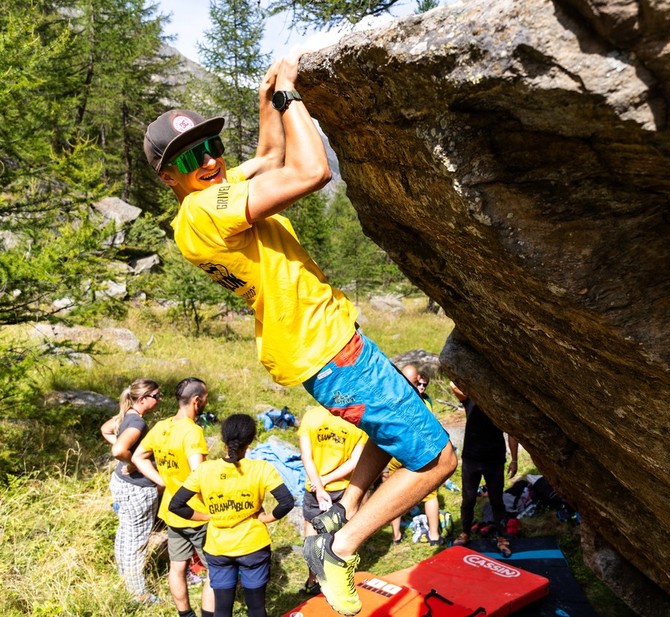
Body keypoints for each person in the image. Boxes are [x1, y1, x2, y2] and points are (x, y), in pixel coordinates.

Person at [143, 54, 457, 616]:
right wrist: (290, 95)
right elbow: (312, 172)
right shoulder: (204, 210)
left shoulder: (207, 198)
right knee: (437, 462)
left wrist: (266, 101)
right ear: (169, 177)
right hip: (331, 351)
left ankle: (344, 505)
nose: (212, 159)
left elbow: (268, 157)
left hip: (320, 343)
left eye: (212, 146)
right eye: (191, 157)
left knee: (397, 419)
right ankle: (340, 547)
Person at [169, 413, 295, 617]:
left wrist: (207, 516)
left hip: (218, 548)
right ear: (251, 440)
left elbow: (176, 505)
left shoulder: (204, 471)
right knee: (256, 608)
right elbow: (287, 501)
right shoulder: (261, 468)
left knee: (222, 609)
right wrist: (267, 518)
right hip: (254, 546)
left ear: (223, 439)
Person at [133, 377, 214, 617]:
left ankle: (185, 615)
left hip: (171, 509)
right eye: (206, 397)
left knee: (177, 567)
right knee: (214, 571)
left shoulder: (161, 427)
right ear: (197, 400)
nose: (207, 401)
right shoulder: (193, 432)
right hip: (197, 513)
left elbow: (138, 456)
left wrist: (164, 481)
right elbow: (199, 475)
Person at [99, 378, 162, 604]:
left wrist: (128, 455)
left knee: (125, 536)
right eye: (156, 396)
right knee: (136, 541)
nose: (160, 399)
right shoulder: (138, 424)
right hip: (137, 489)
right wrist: (133, 461)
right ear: (143, 398)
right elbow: (118, 449)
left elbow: (106, 430)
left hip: (121, 485)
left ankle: (126, 582)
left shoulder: (127, 415)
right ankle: (139, 594)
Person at [298, 404, 367, 595]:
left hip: (313, 488)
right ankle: (339, 582)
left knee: (312, 537)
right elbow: (356, 461)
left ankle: (313, 581)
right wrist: (327, 480)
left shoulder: (311, 416)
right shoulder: (357, 421)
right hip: (343, 489)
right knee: (341, 537)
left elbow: (306, 456)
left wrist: (319, 485)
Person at [449, 382, 518, 558]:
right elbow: (452, 385)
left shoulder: (501, 407)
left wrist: (515, 460)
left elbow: (513, 434)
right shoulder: (470, 399)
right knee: (468, 499)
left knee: (497, 501)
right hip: (472, 458)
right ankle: (465, 533)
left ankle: (502, 537)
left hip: (494, 460)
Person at [385, 365, 442, 546]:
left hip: (396, 452)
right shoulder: (424, 403)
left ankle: (396, 536)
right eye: (420, 383)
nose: (422, 387)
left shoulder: (390, 397)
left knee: (394, 494)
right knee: (430, 493)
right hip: (416, 453)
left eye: (424, 384)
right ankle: (433, 535)